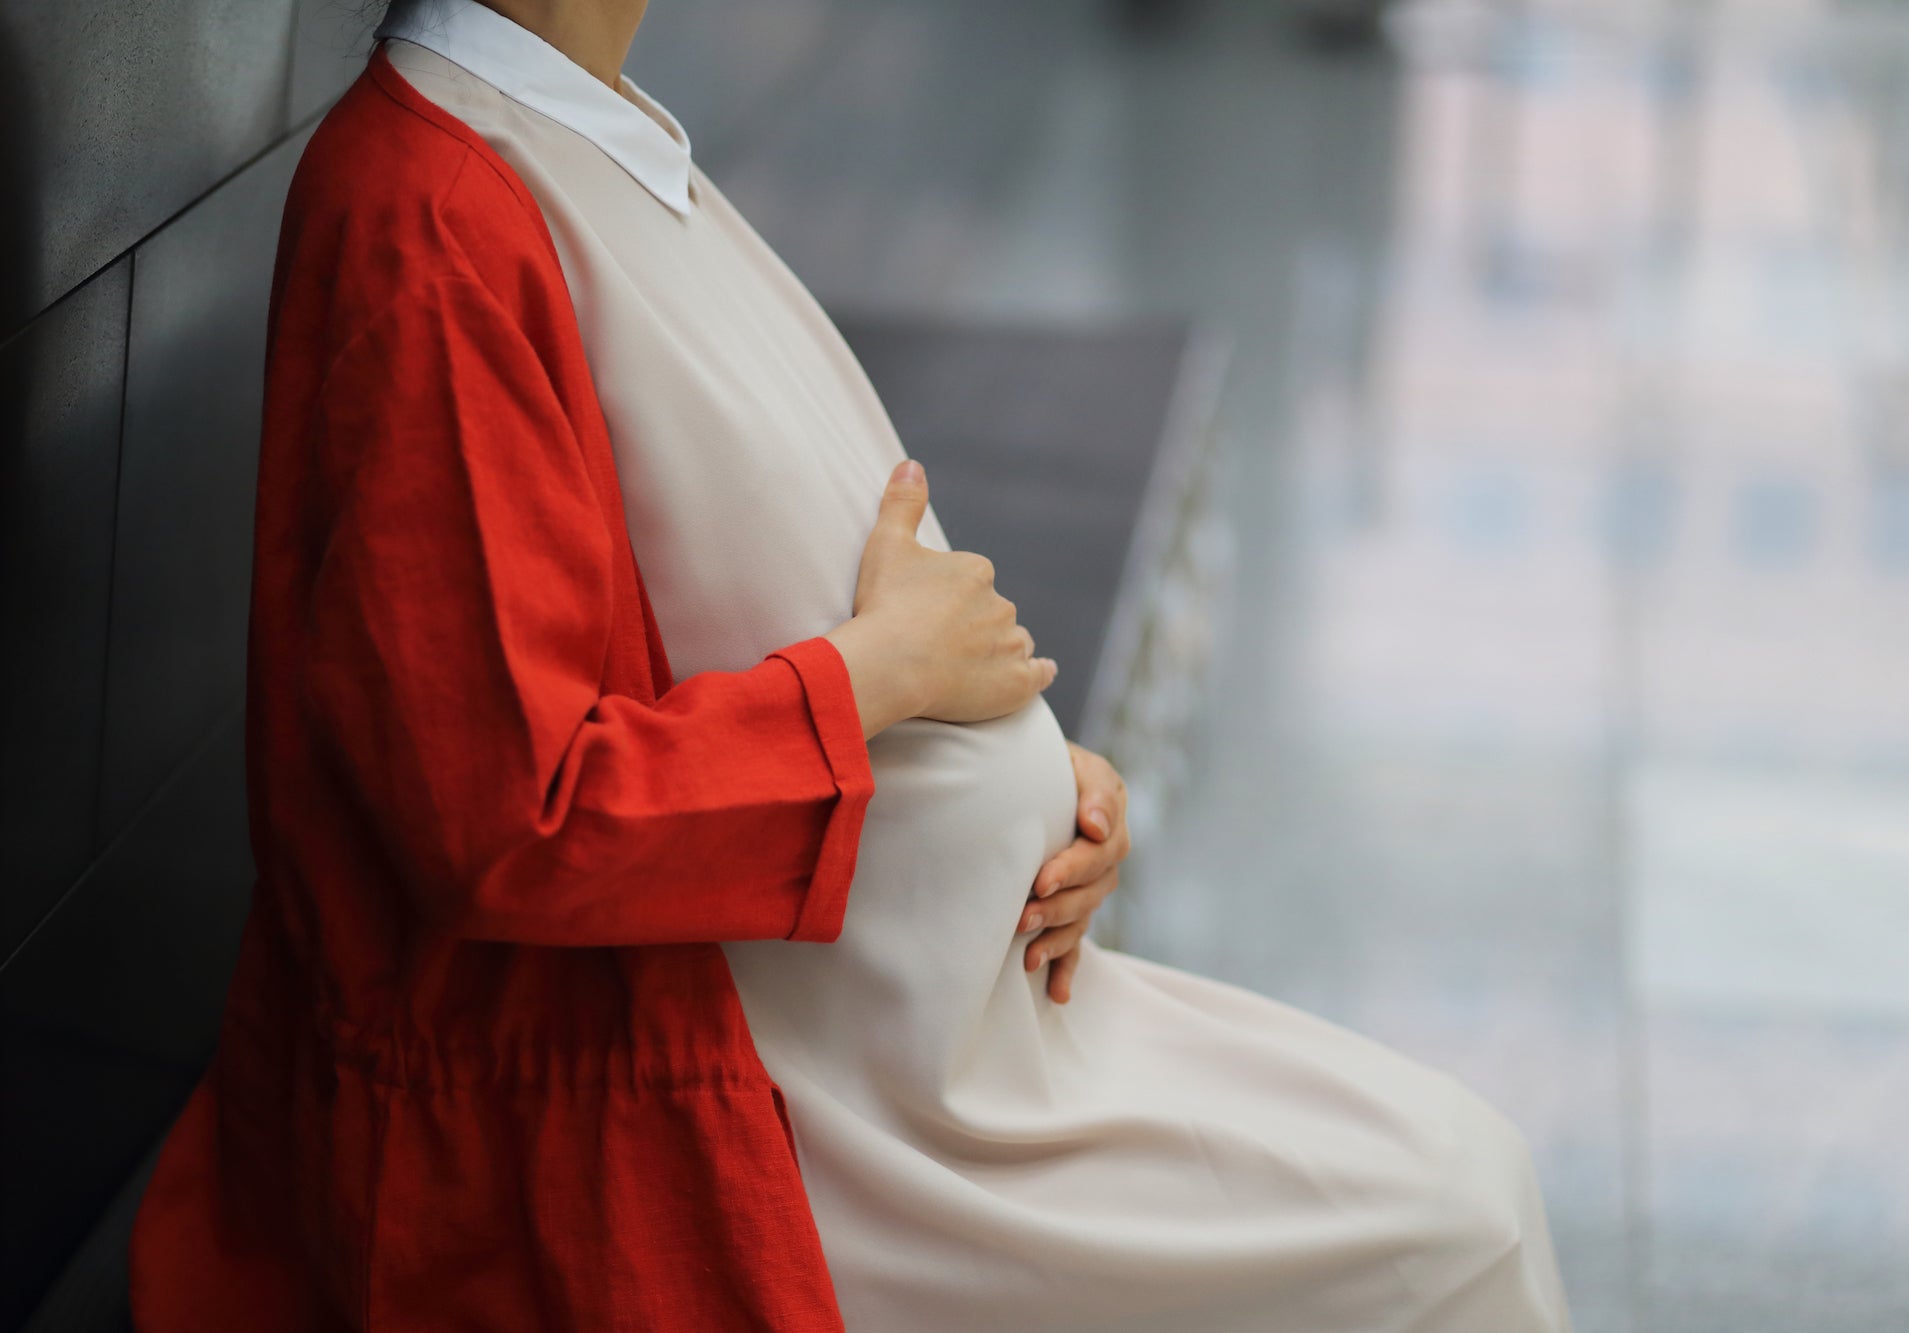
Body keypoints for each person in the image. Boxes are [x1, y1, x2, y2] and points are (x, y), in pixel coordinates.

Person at [128, 1, 1574, 1329]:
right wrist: (877, 683)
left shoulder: (584, 141)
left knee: (1460, 1189)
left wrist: (1028, 786)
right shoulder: (438, 217)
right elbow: (511, 813)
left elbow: (723, 612)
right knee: (1453, 1229)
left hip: (923, 1034)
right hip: (693, 1104)